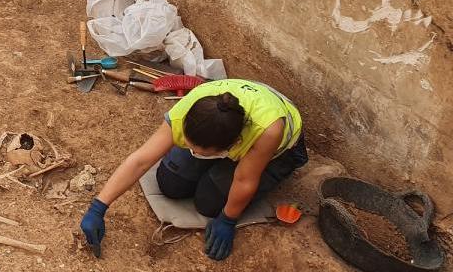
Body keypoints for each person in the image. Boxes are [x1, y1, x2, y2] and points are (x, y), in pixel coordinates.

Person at [78, 79, 308, 261]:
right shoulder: (192, 108)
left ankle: (263, 171)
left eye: (202, 152)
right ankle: (209, 163)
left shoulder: (267, 132)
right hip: (230, 119)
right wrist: (99, 207)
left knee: (210, 203)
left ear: (232, 146)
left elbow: (244, 181)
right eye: (189, 145)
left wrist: (228, 219)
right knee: (171, 182)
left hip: (279, 145)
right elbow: (140, 160)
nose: (193, 152)